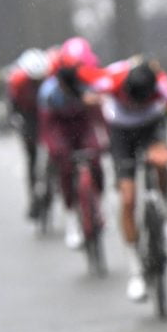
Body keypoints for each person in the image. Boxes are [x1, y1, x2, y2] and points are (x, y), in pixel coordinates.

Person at [93, 58, 167, 302]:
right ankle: (135, 271)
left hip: (151, 125)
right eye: (133, 100)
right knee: (127, 198)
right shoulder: (111, 79)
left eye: (141, 100)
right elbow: (84, 91)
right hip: (120, 131)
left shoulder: (163, 87)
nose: (136, 104)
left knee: (161, 162)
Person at [38, 37, 107, 250]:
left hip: (83, 125)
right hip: (60, 127)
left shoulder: (91, 84)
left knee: (95, 160)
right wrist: (54, 148)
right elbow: (47, 126)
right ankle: (71, 219)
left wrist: (105, 138)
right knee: (65, 168)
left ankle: (99, 204)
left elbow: (99, 116)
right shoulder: (49, 91)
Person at [7, 48, 51, 219]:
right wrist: (16, 120)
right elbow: (13, 106)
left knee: (54, 152)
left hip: (46, 113)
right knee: (31, 159)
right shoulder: (18, 82)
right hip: (28, 116)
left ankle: (51, 184)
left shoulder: (50, 78)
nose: (38, 82)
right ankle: (33, 198)